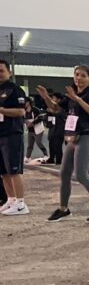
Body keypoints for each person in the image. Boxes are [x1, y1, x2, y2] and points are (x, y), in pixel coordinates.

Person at [38, 66, 89, 223]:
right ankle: (63, 209)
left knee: (81, 175)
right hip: (72, 138)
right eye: (76, 75)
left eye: (83, 75)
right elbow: (56, 108)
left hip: (85, 137)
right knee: (64, 173)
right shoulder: (71, 95)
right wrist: (46, 97)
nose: (79, 78)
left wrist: (77, 99)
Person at [0, 60, 30, 216]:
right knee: (3, 171)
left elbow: (20, 112)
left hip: (12, 134)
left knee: (13, 170)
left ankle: (20, 203)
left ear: (9, 72)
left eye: (1, 71)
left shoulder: (15, 90)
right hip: (0, 134)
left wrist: (1, 110)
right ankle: (11, 199)